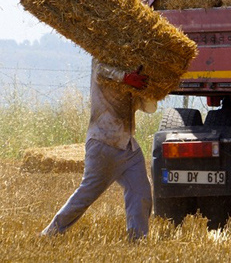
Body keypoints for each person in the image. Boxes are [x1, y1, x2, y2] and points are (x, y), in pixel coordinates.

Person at [41, 58, 156, 241]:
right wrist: (126, 77)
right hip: (103, 141)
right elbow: (101, 70)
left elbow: (149, 108)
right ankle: (49, 234)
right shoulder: (103, 61)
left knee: (141, 193)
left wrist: (151, 88)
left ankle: (137, 241)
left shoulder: (135, 71)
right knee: (86, 195)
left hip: (128, 145)